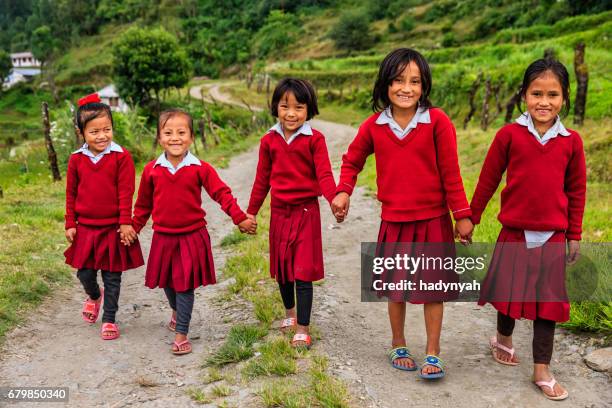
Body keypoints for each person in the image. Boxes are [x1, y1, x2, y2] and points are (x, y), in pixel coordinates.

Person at [332, 48, 473, 379]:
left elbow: (451, 172)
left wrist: (461, 214)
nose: (406, 88)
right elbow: (352, 160)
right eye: (398, 80)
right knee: (397, 289)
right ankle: (398, 343)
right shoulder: (374, 126)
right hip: (394, 221)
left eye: (414, 81)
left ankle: (433, 353)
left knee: (432, 291)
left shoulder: (437, 121)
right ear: (385, 84)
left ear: (424, 86)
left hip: (434, 221)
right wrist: (343, 191)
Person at [470, 58, 586, 401]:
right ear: (524, 95)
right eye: (537, 93)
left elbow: (577, 190)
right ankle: (503, 339)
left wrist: (575, 233)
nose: (544, 102)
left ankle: (542, 369)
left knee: (547, 305)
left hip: (553, 236)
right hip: (515, 233)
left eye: (553, 94)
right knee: (509, 295)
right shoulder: (509, 135)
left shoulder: (571, 141)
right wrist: (470, 217)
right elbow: (488, 179)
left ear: (564, 98)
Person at [133, 108, 256, 355]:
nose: (175, 138)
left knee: (183, 284)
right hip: (163, 236)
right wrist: (133, 228)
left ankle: (181, 333)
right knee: (167, 282)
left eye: (181, 132)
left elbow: (222, 194)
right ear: (159, 138)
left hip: (191, 236)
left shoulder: (201, 168)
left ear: (191, 137)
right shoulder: (151, 170)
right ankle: (177, 311)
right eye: (168, 133)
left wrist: (239, 218)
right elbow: (144, 204)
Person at [247, 78, 337, 349]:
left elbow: (324, 174)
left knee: (302, 270)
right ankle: (289, 313)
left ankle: (303, 327)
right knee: (283, 268)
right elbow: (262, 179)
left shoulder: (315, 140)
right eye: (285, 106)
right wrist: (251, 212)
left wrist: (335, 200)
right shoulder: (269, 141)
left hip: (306, 211)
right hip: (279, 213)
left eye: (298, 107)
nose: (291, 113)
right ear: (275, 107)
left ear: (309, 110)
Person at [64, 93, 144, 340]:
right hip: (86, 227)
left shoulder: (121, 157)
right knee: (85, 272)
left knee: (112, 276)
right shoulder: (77, 160)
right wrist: (70, 222)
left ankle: (109, 319)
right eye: (94, 131)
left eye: (107, 129)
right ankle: (94, 296)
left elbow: (125, 192)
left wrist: (125, 222)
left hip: (112, 228)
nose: (102, 136)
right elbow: (71, 193)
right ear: (81, 133)